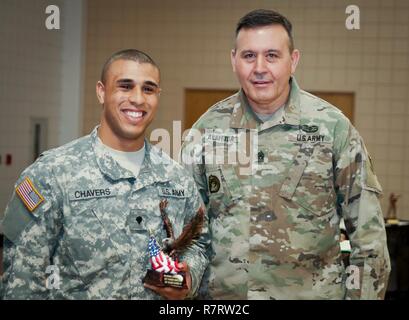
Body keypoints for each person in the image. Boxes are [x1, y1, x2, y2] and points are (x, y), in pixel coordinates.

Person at [180, 9, 390, 299]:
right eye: (249, 56)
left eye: (272, 55)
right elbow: (189, 237)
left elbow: (369, 242)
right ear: (233, 60)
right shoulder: (206, 131)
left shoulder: (333, 129)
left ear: (293, 61)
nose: (260, 68)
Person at [1, 49, 209, 299]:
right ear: (101, 91)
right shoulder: (53, 173)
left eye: (148, 89)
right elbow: (22, 278)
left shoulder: (176, 177)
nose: (138, 99)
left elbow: (199, 242)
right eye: (125, 86)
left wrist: (189, 277)